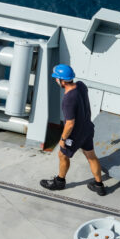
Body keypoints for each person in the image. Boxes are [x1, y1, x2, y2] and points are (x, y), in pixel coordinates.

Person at [39, 64, 106, 196]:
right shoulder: (81, 85)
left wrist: (63, 139)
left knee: (62, 155)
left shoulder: (68, 99)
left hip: (75, 134)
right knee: (91, 156)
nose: (55, 80)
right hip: (87, 128)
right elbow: (85, 107)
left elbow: (70, 124)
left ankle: (59, 182)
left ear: (62, 81)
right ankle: (99, 186)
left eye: (56, 78)